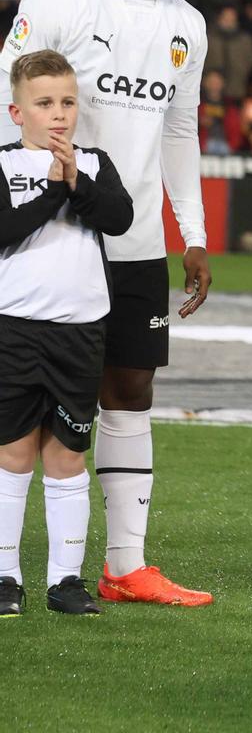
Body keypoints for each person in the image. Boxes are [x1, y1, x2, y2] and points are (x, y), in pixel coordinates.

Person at [0, 0, 213, 607]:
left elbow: (181, 131)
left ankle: (125, 565)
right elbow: (8, 107)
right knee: (19, 403)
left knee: (132, 389)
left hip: (133, 244)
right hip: (49, 243)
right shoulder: (58, 2)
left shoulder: (188, 25)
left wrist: (192, 231)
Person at [0, 50, 134, 618]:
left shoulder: (96, 163)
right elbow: (5, 230)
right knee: (12, 451)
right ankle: (6, 577)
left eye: (68, 102)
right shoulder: (4, 163)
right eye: (45, 103)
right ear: (16, 111)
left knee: (69, 452)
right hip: (15, 330)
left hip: (81, 332)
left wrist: (75, 180)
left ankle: (67, 580)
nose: (58, 114)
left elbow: (119, 217)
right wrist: (55, 191)